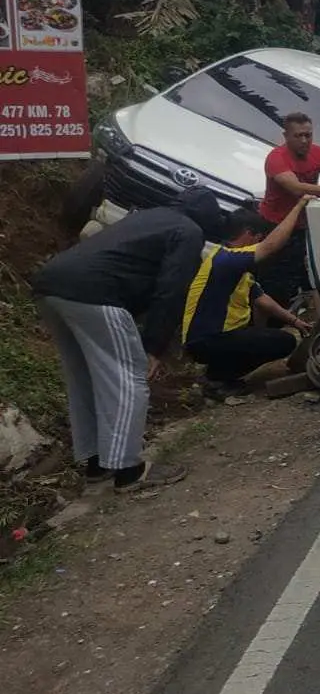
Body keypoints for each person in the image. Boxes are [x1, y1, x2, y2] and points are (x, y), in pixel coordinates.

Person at [30, 187, 231, 492]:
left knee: (84, 377)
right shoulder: (188, 232)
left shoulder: (151, 217)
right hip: (95, 292)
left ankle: (97, 462)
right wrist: (153, 347)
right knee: (128, 376)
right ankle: (129, 470)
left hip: (51, 283)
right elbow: (171, 289)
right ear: (208, 218)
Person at [181, 199, 314, 398]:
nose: (258, 244)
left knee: (274, 331)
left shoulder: (233, 265)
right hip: (207, 340)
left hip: (213, 338)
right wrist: (297, 207)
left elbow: (262, 299)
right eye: (257, 238)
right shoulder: (227, 260)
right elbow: (271, 246)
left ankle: (218, 370)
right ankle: (217, 377)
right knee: (283, 342)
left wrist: (296, 322)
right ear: (248, 234)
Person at [257, 112, 320, 307]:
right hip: (274, 225)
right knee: (271, 281)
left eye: (308, 135)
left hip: (304, 226)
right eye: (298, 136)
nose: (304, 140)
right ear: (286, 136)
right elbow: (296, 188)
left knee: (312, 277)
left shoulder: (318, 152)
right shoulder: (276, 158)